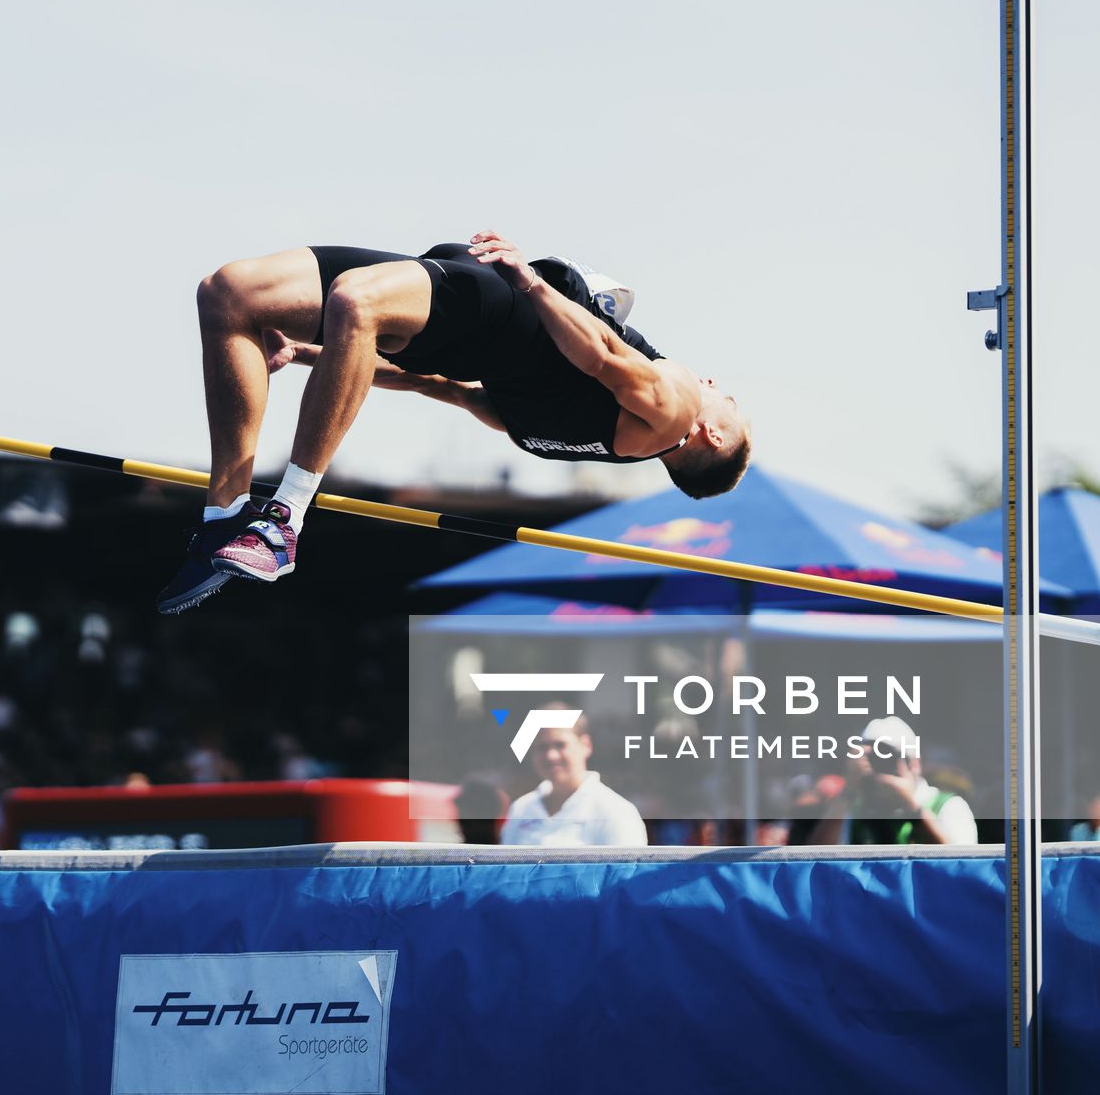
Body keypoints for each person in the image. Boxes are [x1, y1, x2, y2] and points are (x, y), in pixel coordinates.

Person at [157, 233, 751, 612]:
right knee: (229, 294)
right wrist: (314, 352)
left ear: (713, 435)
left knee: (354, 301)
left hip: (493, 301)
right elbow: (436, 384)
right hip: (454, 304)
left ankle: (284, 518)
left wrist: (530, 280)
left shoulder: (674, 406)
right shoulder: (570, 438)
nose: (719, 388)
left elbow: (601, 353)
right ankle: (223, 515)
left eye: (730, 405)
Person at [808, 716, 978, 847]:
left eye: (890, 757)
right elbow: (817, 862)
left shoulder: (949, 806)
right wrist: (849, 790)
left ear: (915, 764)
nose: (881, 764)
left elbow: (962, 869)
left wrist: (913, 808)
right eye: (874, 757)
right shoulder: (855, 807)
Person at [498, 706, 647, 847]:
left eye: (560, 745)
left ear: (586, 745)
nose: (551, 755)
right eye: (542, 747)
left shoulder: (616, 812)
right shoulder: (521, 809)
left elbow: (627, 873)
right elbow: (504, 871)